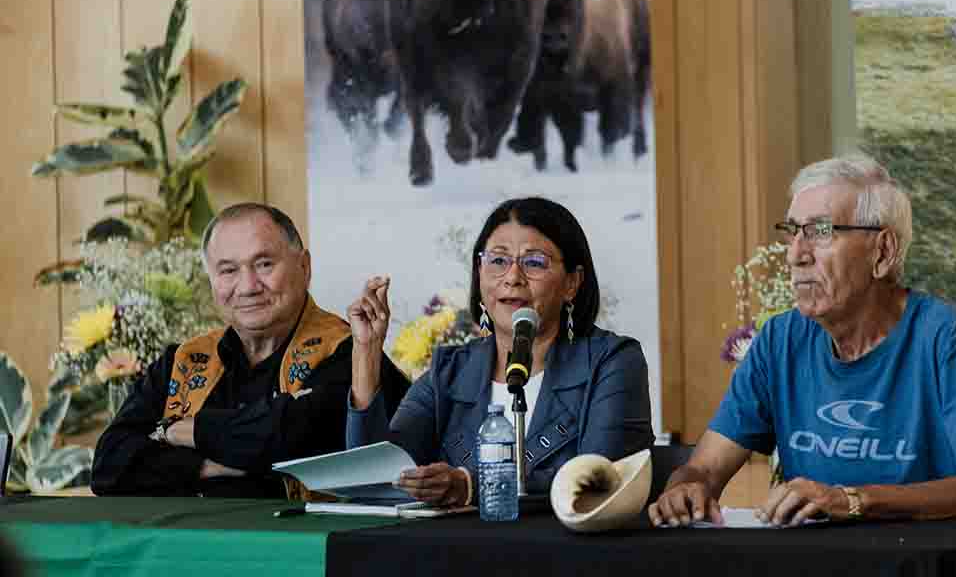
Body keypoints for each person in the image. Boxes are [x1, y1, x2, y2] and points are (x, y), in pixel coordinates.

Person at [649, 155, 956, 527]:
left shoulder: (944, 337)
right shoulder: (779, 341)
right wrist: (685, 490)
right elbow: (704, 469)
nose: (796, 254)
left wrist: (852, 500)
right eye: (792, 232)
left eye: (821, 232)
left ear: (883, 252)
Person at [347, 196, 654, 506]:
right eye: (498, 260)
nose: (513, 277)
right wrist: (366, 351)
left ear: (572, 283)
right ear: (479, 273)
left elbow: (602, 478)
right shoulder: (449, 372)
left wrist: (471, 486)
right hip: (457, 551)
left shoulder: (611, 362)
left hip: (569, 551)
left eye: (534, 262)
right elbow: (372, 480)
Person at [91, 203, 409, 497]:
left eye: (264, 264)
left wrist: (175, 432)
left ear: (304, 267)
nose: (248, 286)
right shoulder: (182, 361)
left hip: (309, 552)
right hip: (186, 551)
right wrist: (208, 467)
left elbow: (299, 437)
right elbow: (108, 465)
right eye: (228, 270)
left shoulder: (353, 353)